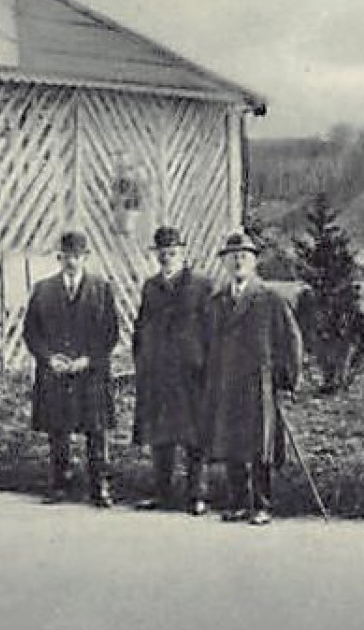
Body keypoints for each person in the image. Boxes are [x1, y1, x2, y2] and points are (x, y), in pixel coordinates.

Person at [202, 231, 304, 526]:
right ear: (224, 263)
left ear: (254, 262)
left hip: (259, 381)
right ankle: (237, 503)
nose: (238, 262)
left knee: (261, 445)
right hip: (226, 380)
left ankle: (262, 505)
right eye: (232, 258)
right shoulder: (218, 301)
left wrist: (286, 379)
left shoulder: (270, 298)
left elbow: (291, 340)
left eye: (244, 257)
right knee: (232, 441)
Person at [23, 230, 121, 508]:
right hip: (55, 371)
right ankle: (59, 484)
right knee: (58, 429)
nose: (72, 262)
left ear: (86, 257)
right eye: (67, 256)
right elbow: (31, 332)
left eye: (77, 256)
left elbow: (111, 333)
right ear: (59, 258)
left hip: (90, 372)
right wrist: (48, 358)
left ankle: (98, 485)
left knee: (96, 430)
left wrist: (90, 359)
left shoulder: (102, 289)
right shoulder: (43, 290)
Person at [131, 225, 213, 514]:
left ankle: (196, 495)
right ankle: (162, 493)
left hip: (192, 371)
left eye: (172, 253)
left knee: (195, 436)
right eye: (162, 253)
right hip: (158, 371)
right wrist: (141, 359)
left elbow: (210, 328)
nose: (167, 258)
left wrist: (207, 362)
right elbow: (141, 325)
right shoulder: (151, 286)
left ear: (183, 253)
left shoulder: (201, 285)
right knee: (160, 434)